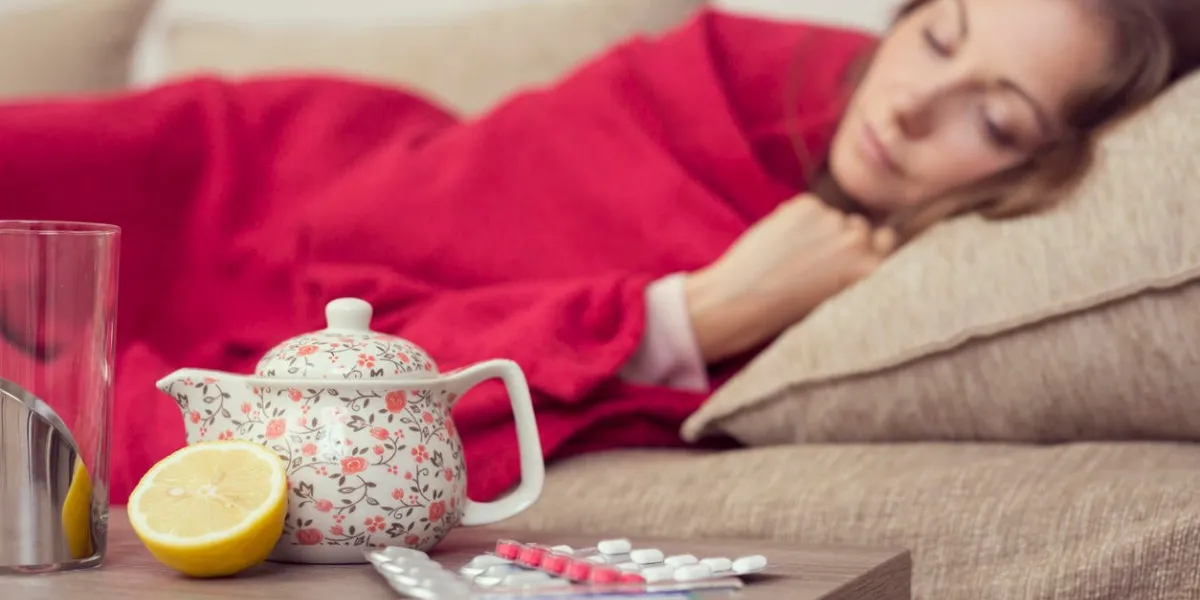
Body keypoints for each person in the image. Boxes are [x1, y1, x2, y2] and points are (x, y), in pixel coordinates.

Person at [0, 0, 1197, 505]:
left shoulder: (909, 284)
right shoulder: (725, 72)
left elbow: (417, 377)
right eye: (939, 36)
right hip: (279, 171)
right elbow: (384, 238)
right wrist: (689, 306)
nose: (913, 107)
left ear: (1047, 167)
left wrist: (700, 314)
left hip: (305, 312)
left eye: (995, 119)